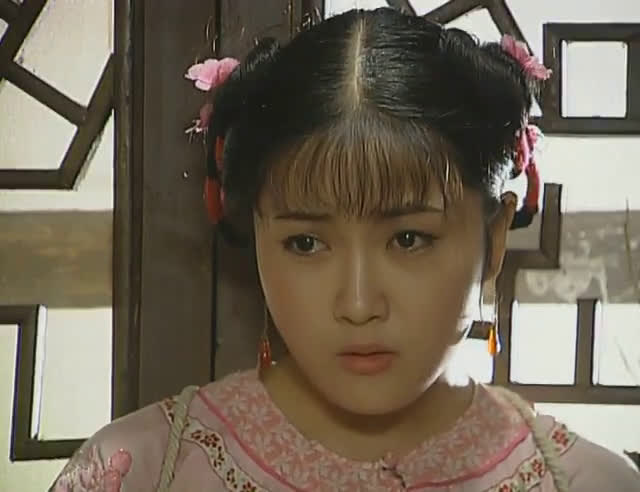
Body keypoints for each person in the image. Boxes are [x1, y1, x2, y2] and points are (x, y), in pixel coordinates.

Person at [50, 8, 640, 492]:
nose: (358, 305)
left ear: (495, 235)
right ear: (254, 234)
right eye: (305, 242)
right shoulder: (140, 470)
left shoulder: (590, 483)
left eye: (409, 239)